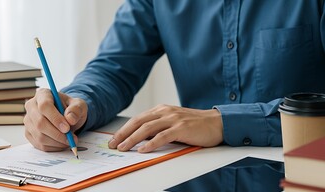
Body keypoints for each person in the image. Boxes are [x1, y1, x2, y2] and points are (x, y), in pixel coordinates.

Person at [24, 0, 325, 153]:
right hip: (192, 178)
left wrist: (225, 122)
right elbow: (113, 67)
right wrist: (77, 104)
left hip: (305, 177)